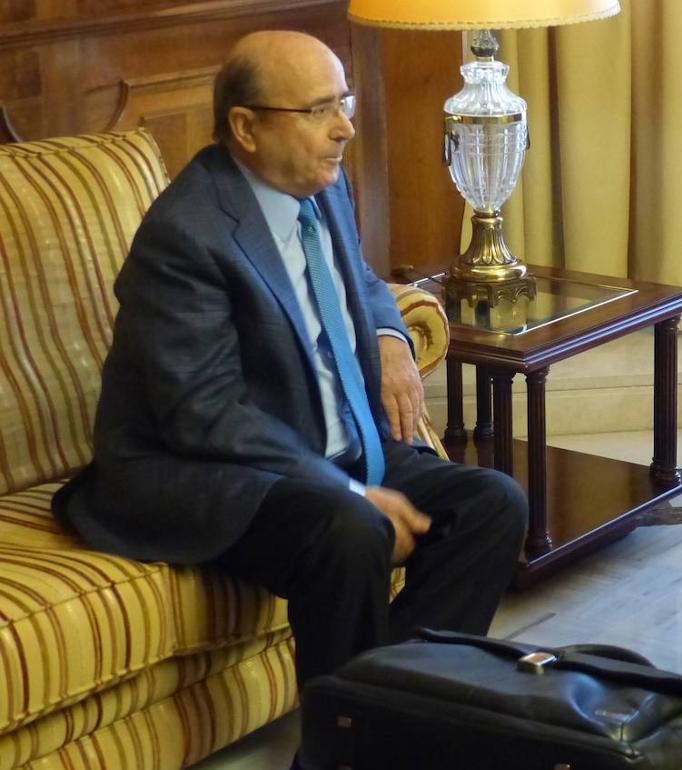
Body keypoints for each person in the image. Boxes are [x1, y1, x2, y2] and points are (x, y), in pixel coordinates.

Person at [54, 30, 527, 699]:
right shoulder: (185, 237)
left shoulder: (315, 180)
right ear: (245, 127)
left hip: (319, 440)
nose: (343, 129)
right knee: (351, 529)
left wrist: (391, 333)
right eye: (317, 111)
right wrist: (351, 490)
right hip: (204, 469)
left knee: (492, 504)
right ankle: (362, 734)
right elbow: (203, 415)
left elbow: (356, 279)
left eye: (345, 103)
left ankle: (385, 721)